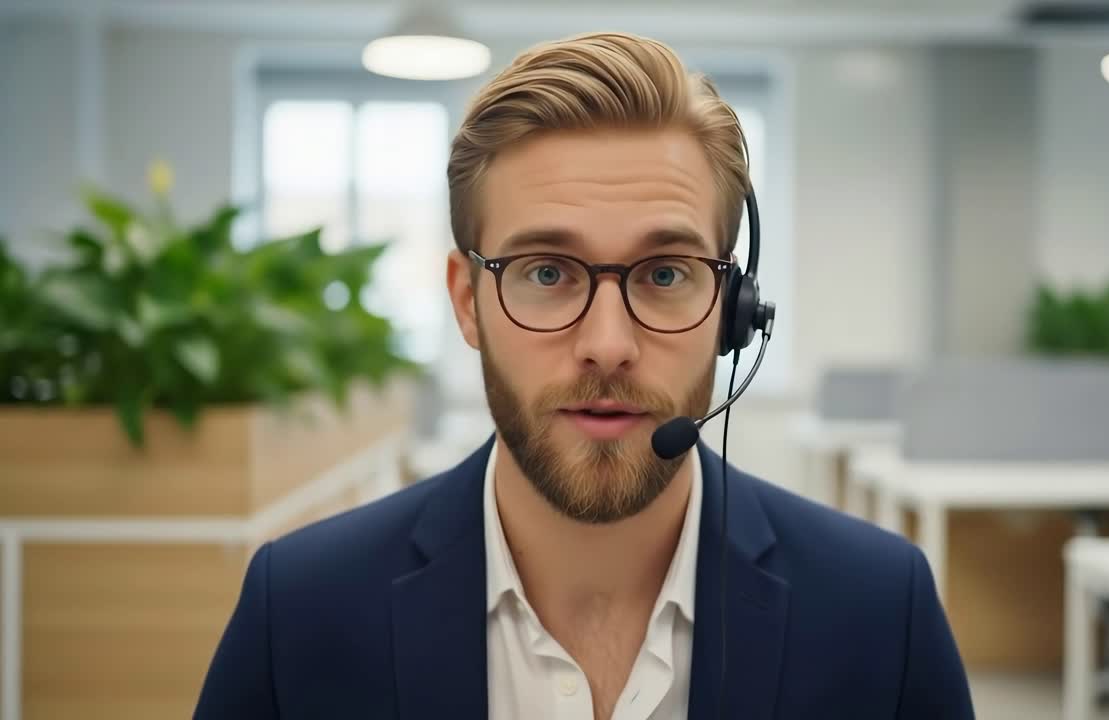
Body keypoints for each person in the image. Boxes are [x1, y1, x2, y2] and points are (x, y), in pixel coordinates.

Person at [194, 31, 973, 720]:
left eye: (665, 274)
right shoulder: (298, 610)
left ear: (733, 309)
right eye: (545, 273)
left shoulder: (879, 609)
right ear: (468, 303)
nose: (608, 344)